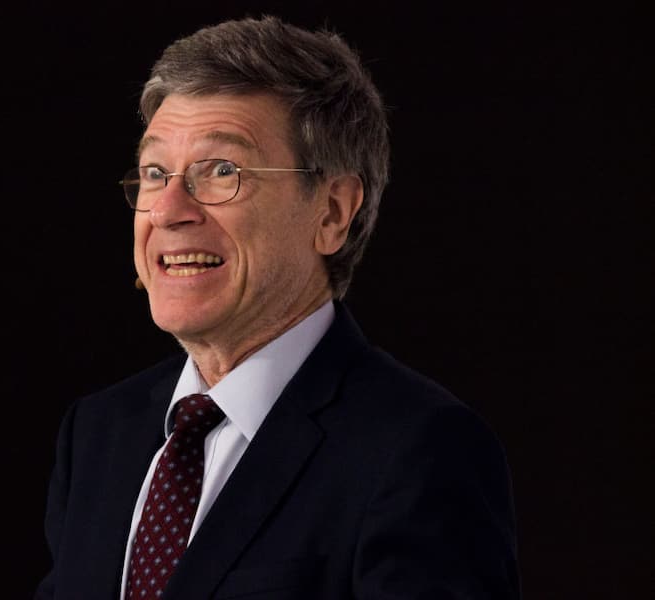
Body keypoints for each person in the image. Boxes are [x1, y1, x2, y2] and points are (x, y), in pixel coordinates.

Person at [35, 16, 519, 600]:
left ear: (333, 212)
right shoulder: (99, 433)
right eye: (155, 172)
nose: (167, 210)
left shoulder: (420, 450)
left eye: (222, 172)